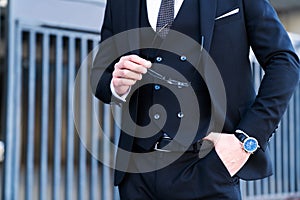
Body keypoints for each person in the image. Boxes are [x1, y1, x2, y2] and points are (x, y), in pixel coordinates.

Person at [91, 0, 300, 199]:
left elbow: (284, 62)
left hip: (208, 168)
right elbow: (101, 77)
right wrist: (116, 85)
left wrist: (246, 139)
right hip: (137, 174)